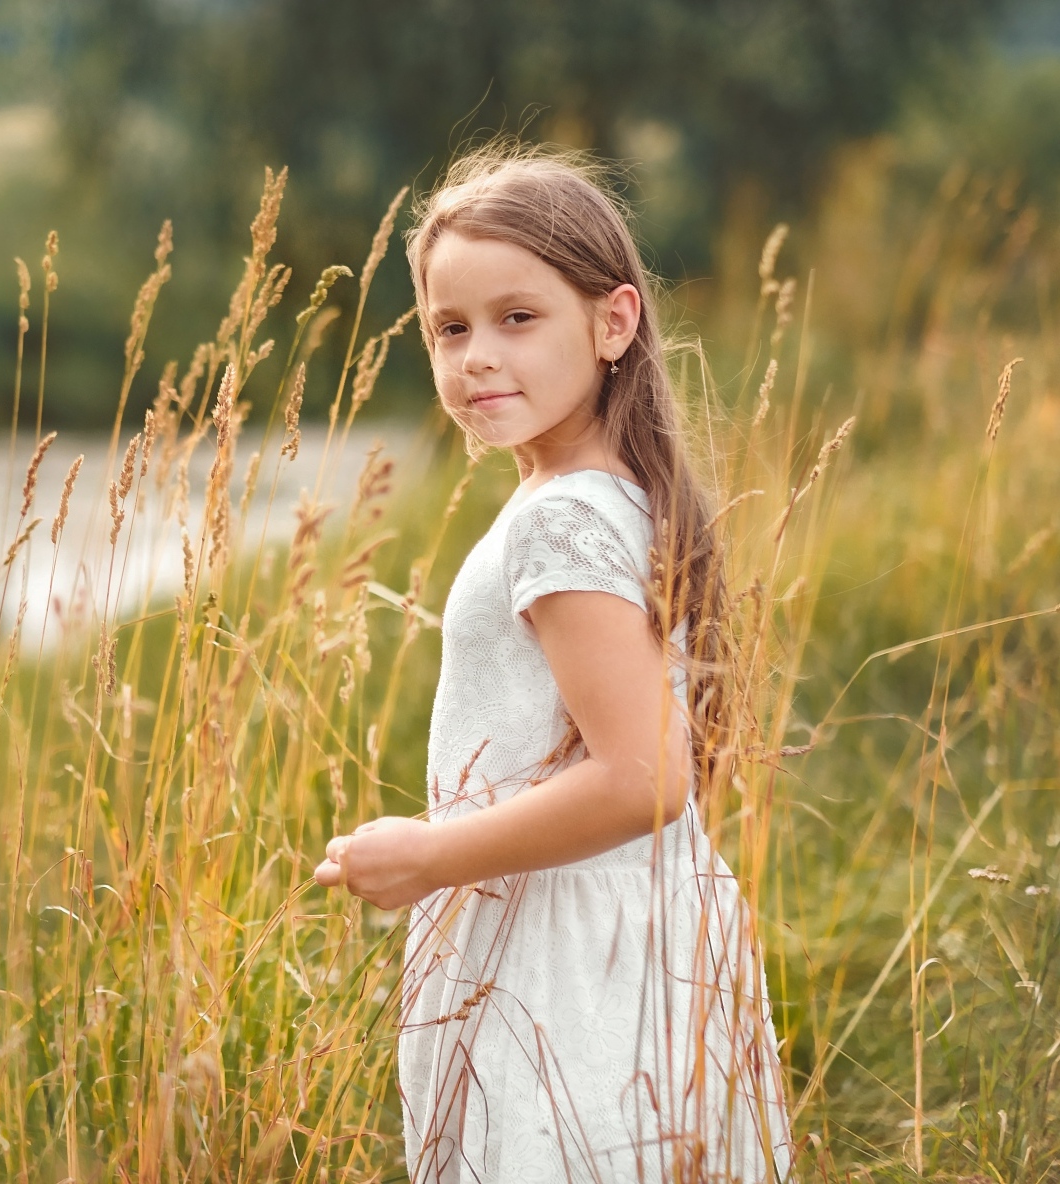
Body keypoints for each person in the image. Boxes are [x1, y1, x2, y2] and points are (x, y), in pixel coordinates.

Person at [314, 144, 794, 1183]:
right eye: (450, 328)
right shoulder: (597, 491)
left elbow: (644, 776)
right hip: (624, 927)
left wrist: (427, 857)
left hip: (569, 954)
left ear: (612, 322)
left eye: (516, 318)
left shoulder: (563, 520)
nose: (476, 355)